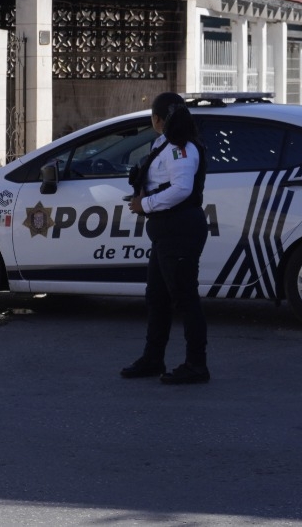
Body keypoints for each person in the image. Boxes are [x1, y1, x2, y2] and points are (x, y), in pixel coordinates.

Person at [119, 92, 211, 385]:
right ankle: (152, 358)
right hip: (166, 230)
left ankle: (197, 365)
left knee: (185, 300)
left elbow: (182, 189)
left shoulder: (181, 149)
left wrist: (144, 205)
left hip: (180, 229)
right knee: (157, 298)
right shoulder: (166, 144)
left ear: (157, 119)